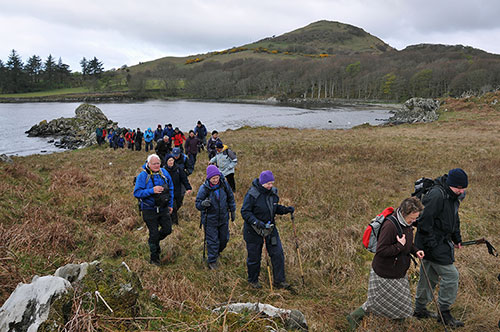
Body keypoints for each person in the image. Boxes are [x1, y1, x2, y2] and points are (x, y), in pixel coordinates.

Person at [346, 197, 425, 330]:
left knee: (402, 302)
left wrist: (416, 251)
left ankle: (398, 324)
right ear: (404, 213)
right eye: (413, 217)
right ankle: (354, 317)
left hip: (398, 272)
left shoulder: (407, 224)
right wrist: (399, 246)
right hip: (384, 273)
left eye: (416, 218)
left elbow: (407, 243)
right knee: (374, 302)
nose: (414, 221)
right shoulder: (390, 226)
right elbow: (381, 250)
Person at [413, 168, 468, 327]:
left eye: (463, 187)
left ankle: (420, 309)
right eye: (458, 187)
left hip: (437, 243)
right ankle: (444, 313)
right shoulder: (437, 195)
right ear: (450, 184)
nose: (461, 191)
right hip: (431, 243)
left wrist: (456, 238)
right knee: (451, 276)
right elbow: (424, 222)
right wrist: (432, 245)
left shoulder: (452, 195)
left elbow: (454, 218)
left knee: (428, 275)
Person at [240, 170, 295, 289]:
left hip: (270, 229)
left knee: (278, 253)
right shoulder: (252, 194)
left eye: (272, 183)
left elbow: (274, 208)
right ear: (262, 182)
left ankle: (279, 281)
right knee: (254, 257)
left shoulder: (273, 193)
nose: (271, 186)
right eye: (268, 183)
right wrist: (257, 222)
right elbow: (245, 212)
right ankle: (253, 281)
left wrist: (285, 210)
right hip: (253, 231)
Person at [133, 154, 174, 265]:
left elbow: (171, 188)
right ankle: (154, 258)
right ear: (148, 164)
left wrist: (170, 205)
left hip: (163, 208)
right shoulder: (143, 176)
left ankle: (153, 242)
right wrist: (152, 190)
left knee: (168, 230)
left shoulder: (164, 173)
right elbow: (137, 193)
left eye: (158, 163)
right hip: (149, 209)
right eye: (154, 163)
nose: (157, 165)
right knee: (154, 233)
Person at [195, 165, 236, 269]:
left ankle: (217, 252)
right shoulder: (204, 188)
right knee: (212, 241)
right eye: (213, 178)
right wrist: (203, 204)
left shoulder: (224, 184)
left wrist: (232, 210)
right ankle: (212, 261)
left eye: (217, 177)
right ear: (209, 178)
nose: (215, 180)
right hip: (210, 220)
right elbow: (198, 204)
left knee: (224, 239)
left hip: (223, 218)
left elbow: (230, 197)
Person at [165, 154, 192, 225]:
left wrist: (188, 188)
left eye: (172, 160)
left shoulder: (178, 169)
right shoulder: (164, 171)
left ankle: (171, 217)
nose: (171, 162)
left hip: (178, 191)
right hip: (169, 192)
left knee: (178, 204)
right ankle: (174, 223)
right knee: (173, 206)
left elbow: (184, 179)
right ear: (166, 162)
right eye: (169, 161)